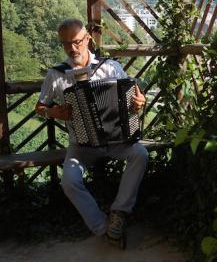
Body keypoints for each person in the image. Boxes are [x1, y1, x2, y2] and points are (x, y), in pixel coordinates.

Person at [35, 18, 148, 247]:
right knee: (69, 181)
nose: (72, 48)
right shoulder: (56, 74)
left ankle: (119, 212)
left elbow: (131, 99)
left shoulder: (110, 68)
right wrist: (53, 112)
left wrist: (138, 103)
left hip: (115, 138)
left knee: (140, 154)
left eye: (76, 42)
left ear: (87, 39)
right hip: (81, 145)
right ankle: (104, 228)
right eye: (66, 44)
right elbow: (40, 107)